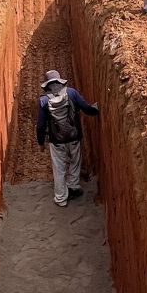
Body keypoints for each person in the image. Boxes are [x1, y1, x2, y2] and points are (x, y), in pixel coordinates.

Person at [35, 70, 99, 207]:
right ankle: (74, 187)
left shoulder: (43, 100)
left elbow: (40, 125)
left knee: (59, 168)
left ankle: (61, 198)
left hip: (56, 141)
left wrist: (41, 142)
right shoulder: (71, 93)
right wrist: (96, 110)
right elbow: (86, 108)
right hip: (74, 137)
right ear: (60, 82)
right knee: (75, 161)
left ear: (47, 85)